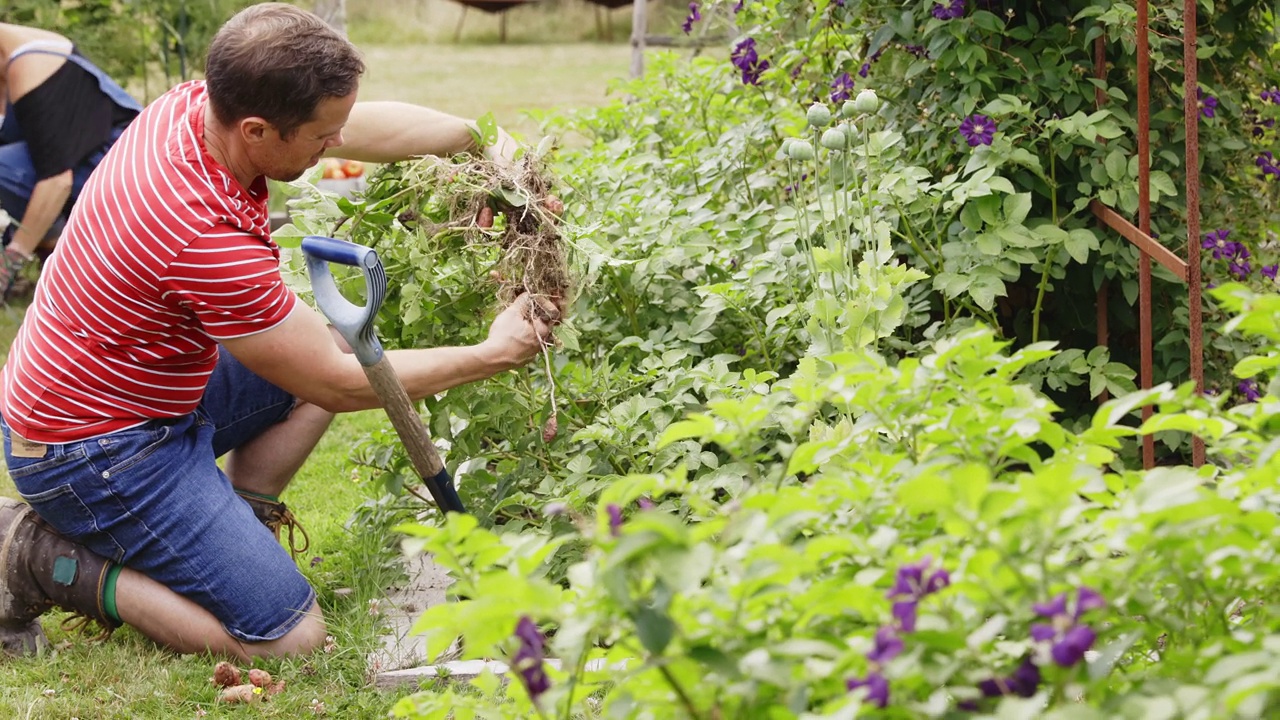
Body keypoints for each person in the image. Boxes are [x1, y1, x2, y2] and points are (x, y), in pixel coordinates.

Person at [0, 3, 549, 659]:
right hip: (90, 451)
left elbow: (353, 130)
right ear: (257, 130)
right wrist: (494, 353)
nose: (332, 146)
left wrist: (480, 142)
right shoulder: (199, 233)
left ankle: (238, 526)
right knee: (286, 638)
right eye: (321, 138)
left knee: (340, 338)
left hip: (132, 390)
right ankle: (36, 558)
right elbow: (338, 386)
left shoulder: (202, 108)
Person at [0, 22, 142, 299]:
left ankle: (71, 256)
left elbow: (56, 180)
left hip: (120, 178)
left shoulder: (35, 63)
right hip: (70, 173)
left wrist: (9, 263)